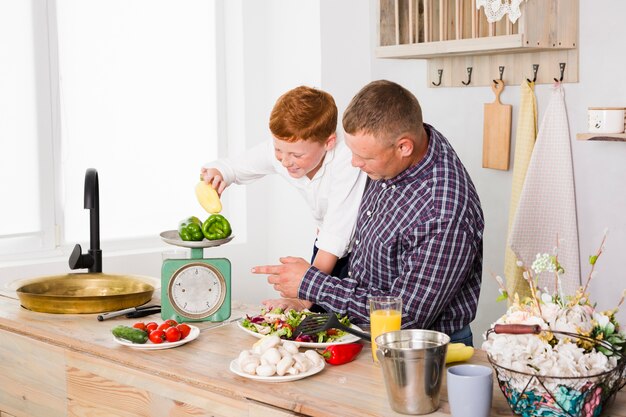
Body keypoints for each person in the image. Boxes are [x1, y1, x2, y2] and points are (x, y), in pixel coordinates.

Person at [251, 80, 484, 345]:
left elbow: (405, 316)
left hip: (423, 351)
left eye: (366, 157)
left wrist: (312, 284)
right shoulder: (400, 151)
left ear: (404, 147)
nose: (355, 163)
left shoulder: (443, 212)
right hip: (361, 332)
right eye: (351, 152)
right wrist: (303, 302)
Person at [200, 86, 367, 310]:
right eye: (279, 150)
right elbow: (236, 167)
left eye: (297, 155)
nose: (285, 161)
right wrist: (218, 173)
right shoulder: (284, 150)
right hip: (324, 245)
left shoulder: (347, 159)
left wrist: (301, 299)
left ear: (328, 142)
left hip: (359, 252)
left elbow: (335, 236)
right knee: (313, 320)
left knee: (345, 321)